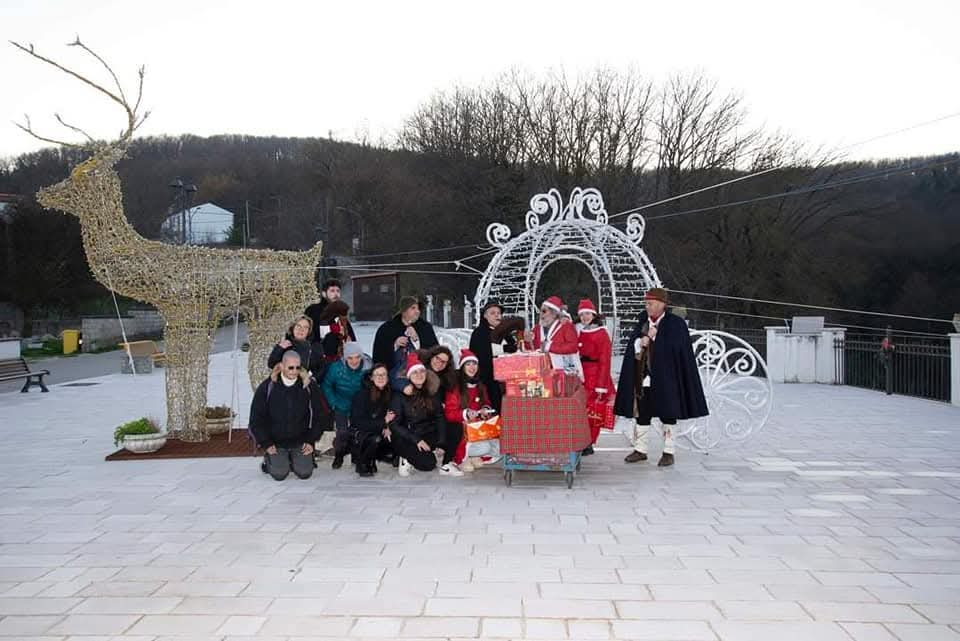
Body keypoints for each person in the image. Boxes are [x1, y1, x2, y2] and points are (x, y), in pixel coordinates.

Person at [614, 288, 709, 467]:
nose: (647, 307)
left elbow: (678, 349)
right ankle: (640, 450)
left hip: (667, 378)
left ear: (662, 304)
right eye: (646, 303)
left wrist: (656, 339)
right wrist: (640, 342)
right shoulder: (642, 321)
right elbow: (633, 349)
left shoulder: (676, 324)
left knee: (668, 413)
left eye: (650, 303)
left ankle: (668, 451)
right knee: (642, 412)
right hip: (643, 377)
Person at [249, 351, 330, 481]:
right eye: (290, 367)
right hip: (276, 441)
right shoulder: (268, 387)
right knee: (280, 474)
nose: (294, 371)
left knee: (305, 473)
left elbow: (319, 415)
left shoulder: (309, 386)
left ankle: (295, 459)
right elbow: (256, 419)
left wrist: (311, 440)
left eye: (298, 367)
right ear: (281, 366)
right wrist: (266, 443)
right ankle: (270, 461)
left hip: (300, 440)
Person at [387, 352, 452, 477]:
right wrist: (417, 440)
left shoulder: (431, 391)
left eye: (422, 371)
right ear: (408, 376)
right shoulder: (399, 395)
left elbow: (439, 416)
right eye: (415, 372)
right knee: (428, 465)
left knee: (455, 429)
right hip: (406, 436)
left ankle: (442, 458)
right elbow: (395, 425)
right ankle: (405, 458)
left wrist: (441, 442)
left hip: (426, 432)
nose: (419, 375)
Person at [444, 349, 499, 472]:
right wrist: (465, 414)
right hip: (462, 430)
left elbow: (486, 402)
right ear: (462, 367)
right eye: (468, 364)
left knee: (498, 445)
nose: (472, 367)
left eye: (474, 364)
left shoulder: (480, 385)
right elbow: (449, 413)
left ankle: (474, 456)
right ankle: (463, 458)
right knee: (485, 447)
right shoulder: (455, 386)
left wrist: (485, 410)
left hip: (478, 428)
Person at [321, 341, 371, 469]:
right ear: (345, 358)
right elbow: (326, 385)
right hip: (341, 402)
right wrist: (333, 402)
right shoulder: (336, 368)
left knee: (358, 431)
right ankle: (339, 455)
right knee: (342, 432)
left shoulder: (368, 367)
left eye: (357, 357)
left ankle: (356, 455)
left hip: (360, 404)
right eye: (350, 358)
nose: (354, 361)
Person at [577, 298, 615, 456]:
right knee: (583, 410)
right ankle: (583, 441)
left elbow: (605, 361)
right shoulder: (581, 330)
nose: (584, 317)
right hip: (582, 374)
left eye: (587, 313)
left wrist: (601, 385)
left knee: (593, 410)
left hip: (595, 376)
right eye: (582, 314)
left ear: (593, 315)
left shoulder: (601, 333)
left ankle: (589, 442)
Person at [469, 300, 522, 412]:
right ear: (485, 316)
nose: (497, 315)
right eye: (492, 313)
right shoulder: (479, 333)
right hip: (489, 381)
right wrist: (504, 349)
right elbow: (482, 354)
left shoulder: (505, 332)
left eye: (498, 313)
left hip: (508, 380)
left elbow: (515, 349)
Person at [349, 364, 394, 477]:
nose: (381, 377)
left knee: (395, 438)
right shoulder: (362, 395)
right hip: (362, 433)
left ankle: (377, 457)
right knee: (375, 439)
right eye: (377, 375)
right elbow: (357, 422)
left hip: (380, 429)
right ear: (371, 377)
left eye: (384, 374)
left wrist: (388, 427)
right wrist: (383, 423)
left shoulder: (390, 393)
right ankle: (363, 463)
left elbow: (393, 415)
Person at [372, 296, 439, 371]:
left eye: (418, 308)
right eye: (413, 308)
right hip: (394, 373)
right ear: (403, 310)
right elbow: (378, 357)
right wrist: (394, 345)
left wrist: (417, 340)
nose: (417, 311)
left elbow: (435, 353)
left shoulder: (426, 328)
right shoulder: (386, 329)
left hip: (422, 372)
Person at [528, 295, 581, 377]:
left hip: (563, 373)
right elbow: (532, 349)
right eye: (540, 311)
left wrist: (550, 346)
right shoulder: (537, 328)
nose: (541, 314)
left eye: (544, 311)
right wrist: (527, 341)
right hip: (541, 372)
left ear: (554, 313)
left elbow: (573, 347)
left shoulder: (565, 326)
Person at [267, 315, 326, 382]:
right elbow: (271, 364)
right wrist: (279, 348)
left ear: (309, 331)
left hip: (303, 386)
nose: (301, 330)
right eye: (298, 326)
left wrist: (313, 379)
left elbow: (322, 368)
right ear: (293, 327)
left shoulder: (315, 347)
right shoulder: (285, 344)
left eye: (306, 327)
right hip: (283, 385)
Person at [305, 279, 357, 344]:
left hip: (339, 352)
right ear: (324, 294)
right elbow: (305, 332)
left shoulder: (341, 313)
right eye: (332, 291)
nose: (336, 294)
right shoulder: (313, 310)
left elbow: (351, 337)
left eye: (338, 291)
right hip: (319, 351)